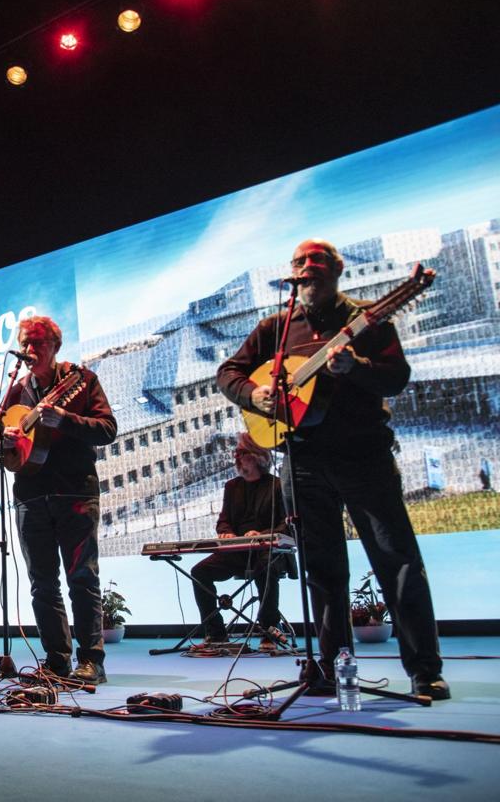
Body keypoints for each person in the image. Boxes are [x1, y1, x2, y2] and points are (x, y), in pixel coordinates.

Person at [216, 238, 449, 700]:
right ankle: (330, 668)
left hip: (364, 455)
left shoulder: (364, 319)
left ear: (337, 270)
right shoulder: (277, 327)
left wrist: (356, 367)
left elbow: (396, 377)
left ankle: (425, 670)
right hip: (301, 460)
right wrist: (253, 396)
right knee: (322, 571)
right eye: (299, 262)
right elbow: (228, 372)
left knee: (396, 560)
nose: (307, 268)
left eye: (316, 261)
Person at [0, 316, 118, 684]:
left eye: (37, 343)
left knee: (82, 578)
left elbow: (108, 429)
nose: (28, 350)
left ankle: (91, 661)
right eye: (24, 342)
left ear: (55, 346)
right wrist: (2, 443)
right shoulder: (16, 392)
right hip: (29, 497)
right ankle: (56, 660)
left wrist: (66, 419)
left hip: (74, 492)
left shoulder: (81, 380)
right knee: (42, 583)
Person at [190, 433, 286, 652]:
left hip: (268, 552)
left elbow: (285, 525)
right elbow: (223, 522)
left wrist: (260, 533)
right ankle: (216, 633)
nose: (236, 458)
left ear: (257, 456)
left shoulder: (277, 486)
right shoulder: (232, 486)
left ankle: (269, 629)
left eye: (241, 453)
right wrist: (226, 534)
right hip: (237, 552)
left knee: (266, 566)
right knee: (199, 571)